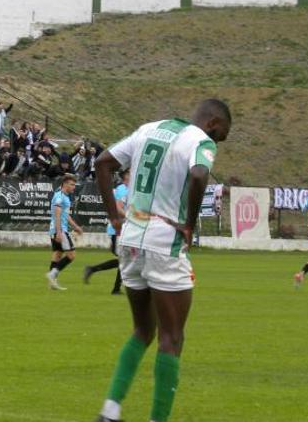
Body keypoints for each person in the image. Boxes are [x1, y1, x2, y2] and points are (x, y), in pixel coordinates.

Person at [92, 98, 231, 422]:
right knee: (172, 337)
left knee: (142, 330)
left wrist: (114, 217)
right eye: (221, 135)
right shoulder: (200, 140)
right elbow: (198, 175)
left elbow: (102, 163)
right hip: (163, 239)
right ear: (212, 124)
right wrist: (190, 225)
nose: (219, 141)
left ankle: (110, 411)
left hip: (130, 238)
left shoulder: (148, 129)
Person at [83, 170, 130, 294]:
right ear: (125, 175)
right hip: (118, 230)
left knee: (124, 259)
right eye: (130, 172)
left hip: (124, 229)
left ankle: (115, 287)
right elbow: (118, 208)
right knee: (123, 259)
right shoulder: (122, 189)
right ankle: (94, 270)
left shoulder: (129, 189)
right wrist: (131, 217)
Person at [45, 174, 83, 291]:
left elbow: (65, 215)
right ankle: (52, 274)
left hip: (56, 229)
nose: (73, 187)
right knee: (71, 256)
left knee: (57, 255)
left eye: (74, 185)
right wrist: (59, 232)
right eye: (71, 184)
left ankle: (52, 283)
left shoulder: (65, 197)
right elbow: (57, 215)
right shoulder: (60, 197)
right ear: (65, 184)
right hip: (60, 230)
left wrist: (76, 226)